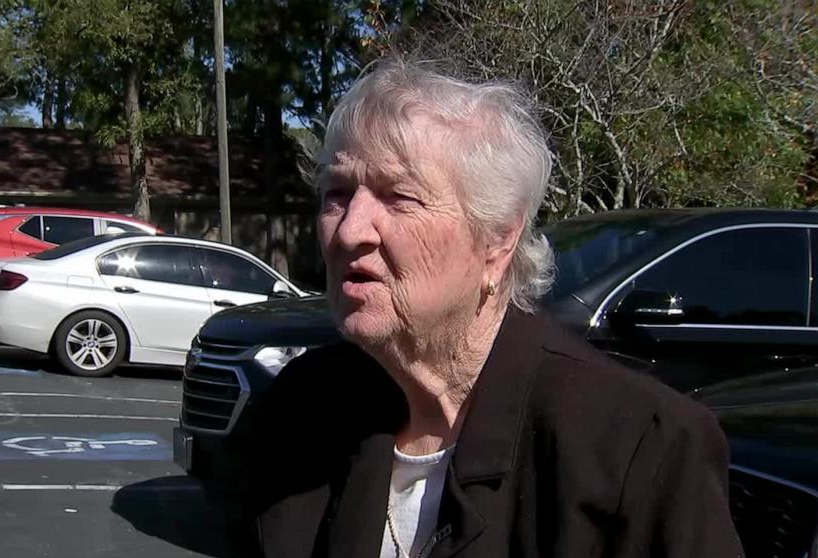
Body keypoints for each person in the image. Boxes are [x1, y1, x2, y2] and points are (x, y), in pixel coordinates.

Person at [246, 59, 743, 558]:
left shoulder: (639, 448)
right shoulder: (301, 410)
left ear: (498, 240)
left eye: (398, 197)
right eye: (337, 194)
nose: (350, 230)